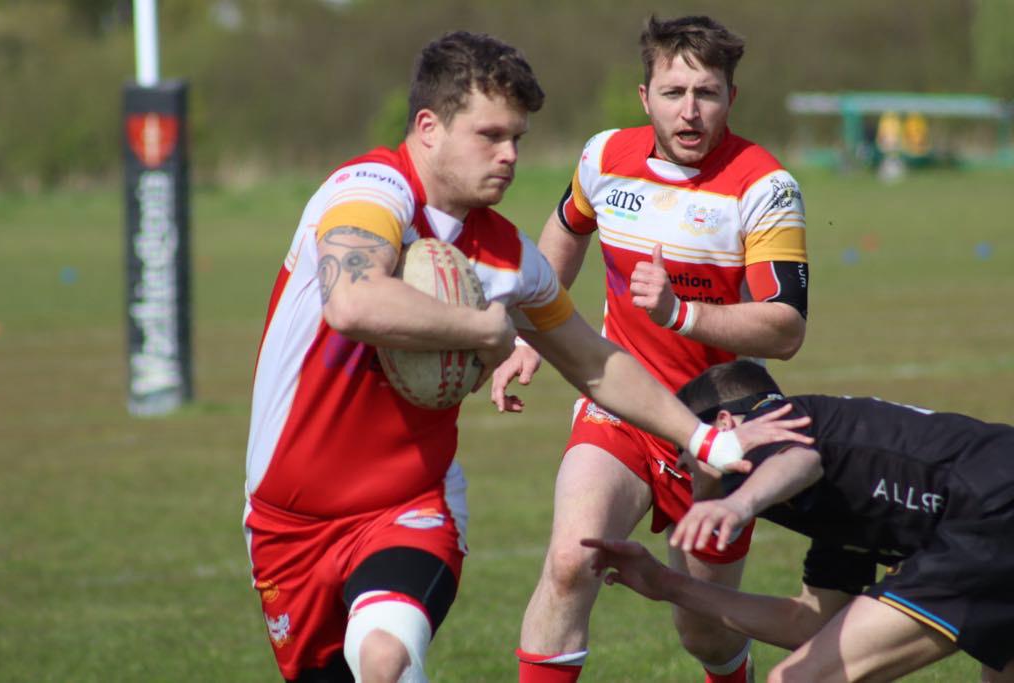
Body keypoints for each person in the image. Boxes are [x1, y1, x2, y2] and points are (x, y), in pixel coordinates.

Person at [242, 31, 811, 683]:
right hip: (286, 520)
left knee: (385, 659)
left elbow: (595, 362)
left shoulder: (509, 258)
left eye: (518, 137)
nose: (510, 156)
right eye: (490, 136)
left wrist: (702, 439)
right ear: (428, 127)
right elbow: (351, 301)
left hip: (409, 503)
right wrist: (484, 330)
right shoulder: (367, 192)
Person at [490, 15, 809, 683]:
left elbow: (785, 328)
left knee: (704, 629)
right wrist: (531, 332)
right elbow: (567, 229)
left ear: (731, 97)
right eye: (673, 92)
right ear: (645, 97)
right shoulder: (605, 158)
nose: (689, 111)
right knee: (572, 558)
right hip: (624, 406)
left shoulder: (764, 186)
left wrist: (681, 312)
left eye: (707, 92)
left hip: (724, 430)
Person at [585, 359, 1014, 682]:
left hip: (990, 514)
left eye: (684, 442)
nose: (681, 461)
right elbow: (808, 623)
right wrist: (667, 585)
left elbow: (800, 461)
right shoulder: (843, 487)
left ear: (725, 423)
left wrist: (737, 505)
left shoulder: (772, 431)